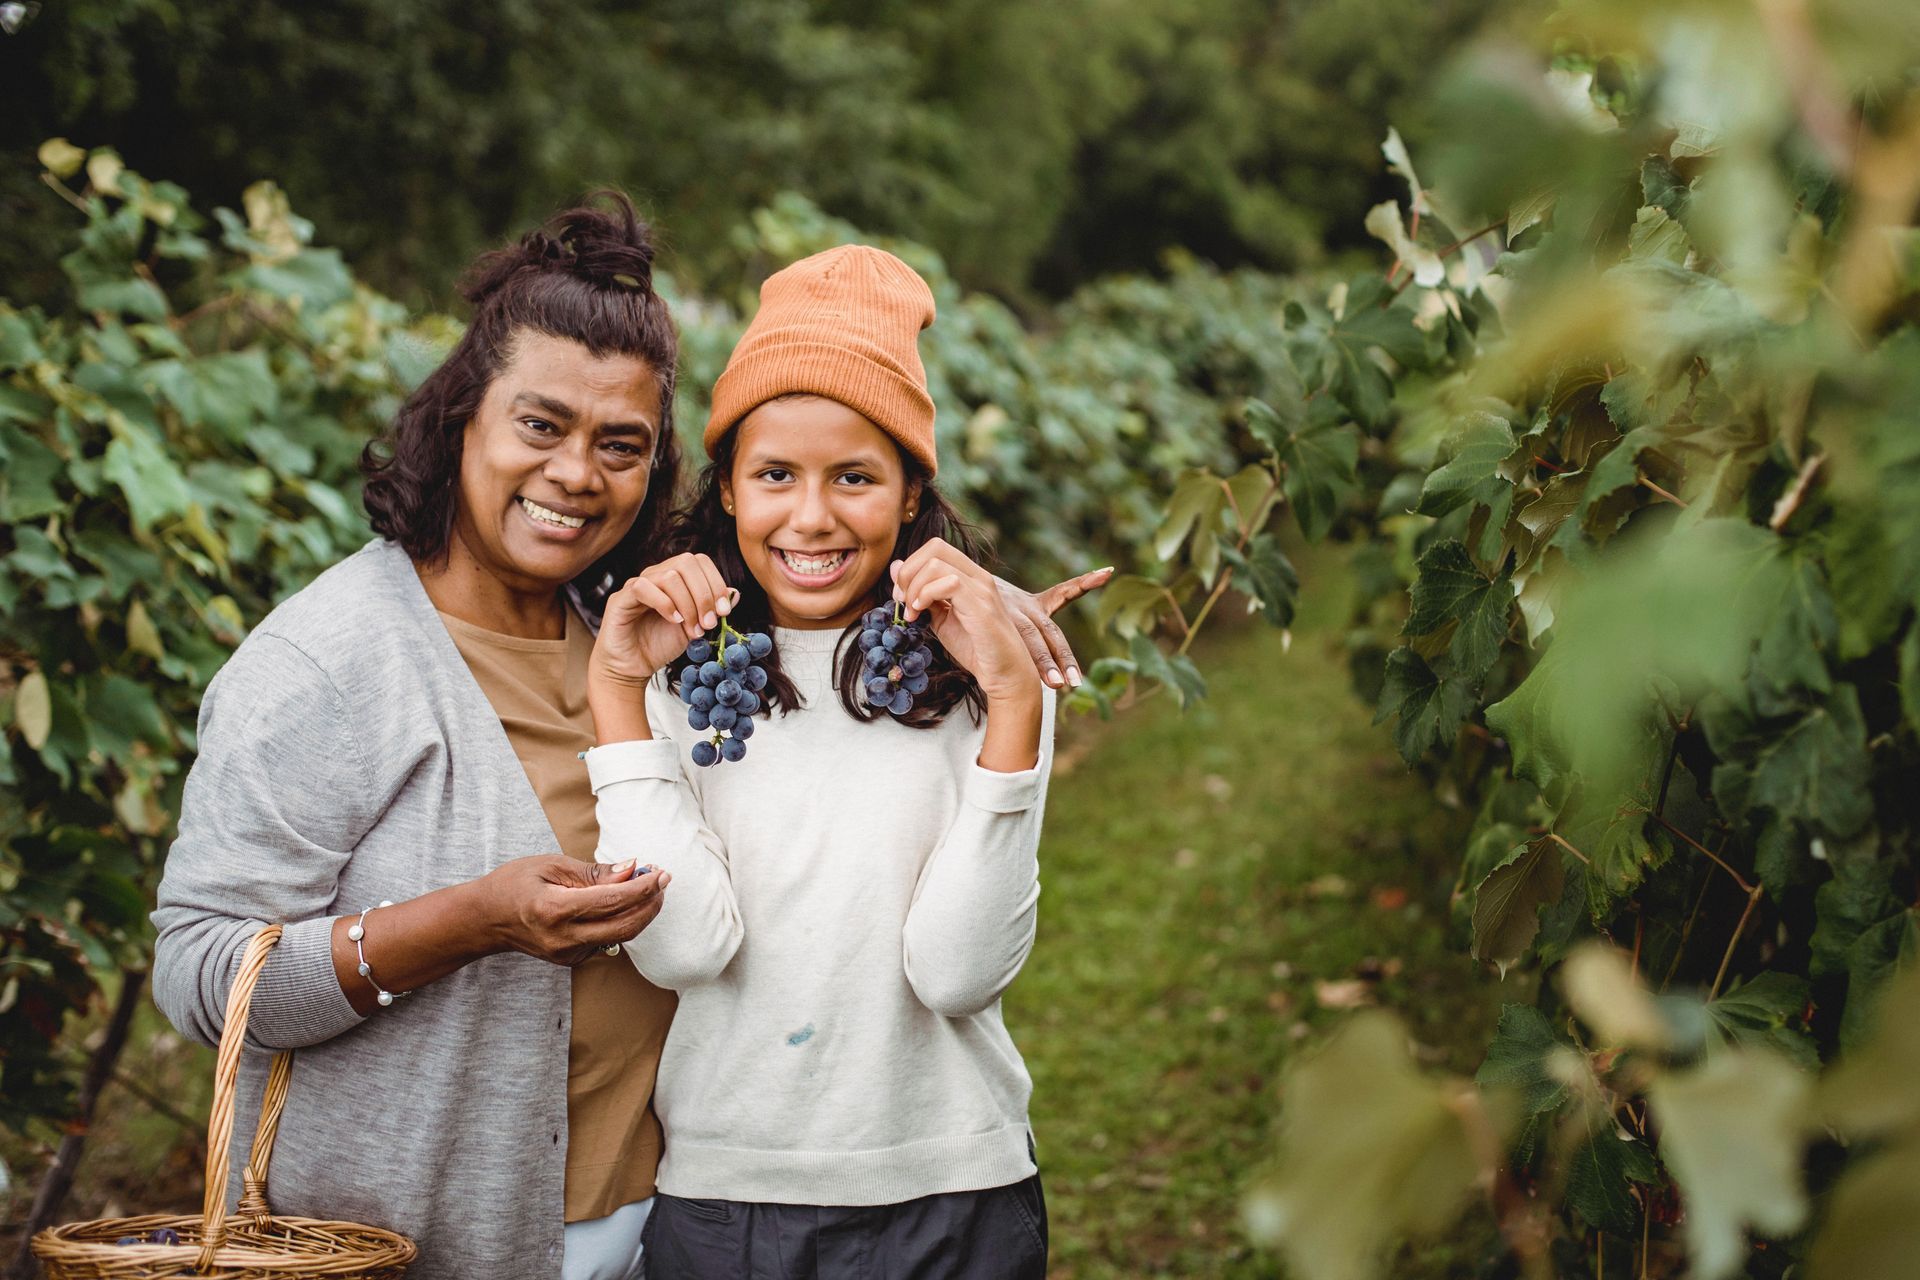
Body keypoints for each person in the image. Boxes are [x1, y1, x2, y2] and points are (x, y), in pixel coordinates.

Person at [154, 200, 1106, 1280]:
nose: (575, 474)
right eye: (540, 425)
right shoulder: (331, 662)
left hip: (663, 1218)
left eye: (622, 447)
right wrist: (468, 919)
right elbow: (202, 969)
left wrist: (970, 592)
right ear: (459, 415)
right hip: (433, 1233)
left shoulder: (637, 626)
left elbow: (815, 593)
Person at [586, 244, 1055, 1277]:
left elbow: (959, 967)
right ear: (728, 487)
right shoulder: (683, 675)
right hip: (726, 1196)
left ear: (909, 491)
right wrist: (616, 698)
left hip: (956, 1185)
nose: (810, 516)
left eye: (854, 476)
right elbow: (682, 948)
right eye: (774, 475)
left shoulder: (981, 674)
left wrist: (1017, 697)